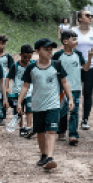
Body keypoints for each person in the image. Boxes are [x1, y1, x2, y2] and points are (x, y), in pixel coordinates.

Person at [17, 38, 73, 171]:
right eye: (46, 49)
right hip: (37, 105)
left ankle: (50, 157)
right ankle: (43, 154)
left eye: (50, 50)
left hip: (53, 105)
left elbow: (64, 82)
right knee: (40, 132)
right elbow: (25, 85)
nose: (49, 52)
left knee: (51, 131)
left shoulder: (56, 65)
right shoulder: (31, 68)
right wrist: (19, 102)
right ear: (37, 51)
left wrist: (70, 98)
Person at [52, 30, 93, 146]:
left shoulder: (78, 54)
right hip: (61, 89)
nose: (77, 41)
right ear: (65, 41)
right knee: (62, 110)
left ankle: (73, 135)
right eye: (74, 39)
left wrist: (90, 58)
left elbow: (85, 68)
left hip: (75, 88)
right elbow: (53, 71)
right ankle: (61, 131)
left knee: (74, 111)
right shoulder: (58, 55)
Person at [72, 10, 93, 130]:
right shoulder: (72, 31)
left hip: (91, 66)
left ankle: (85, 119)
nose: (91, 18)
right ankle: (71, 116)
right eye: (88, 15)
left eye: (92, 15)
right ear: (79, 18)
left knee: (88, 93)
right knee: (74, 92)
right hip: (75, 66)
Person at [6, 44, 36, 138]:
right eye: (25, 57)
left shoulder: (33, 64)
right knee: (19, 111)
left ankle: (28, 127)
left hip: (30, 91)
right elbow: (8, 77)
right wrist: (7, 88)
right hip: (16, 92)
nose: (27, 59)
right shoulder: (15, 66)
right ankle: (21, 128)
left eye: (29, 57)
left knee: (29, 110)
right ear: (20, 54)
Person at [0, 34, 14, 126]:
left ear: (5, 44)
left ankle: (1, 117)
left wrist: (9, 84)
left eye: (3, 43)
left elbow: (12, 71)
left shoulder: (8, 57)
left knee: (4, 98)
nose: (1, 45)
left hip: (4, 81)